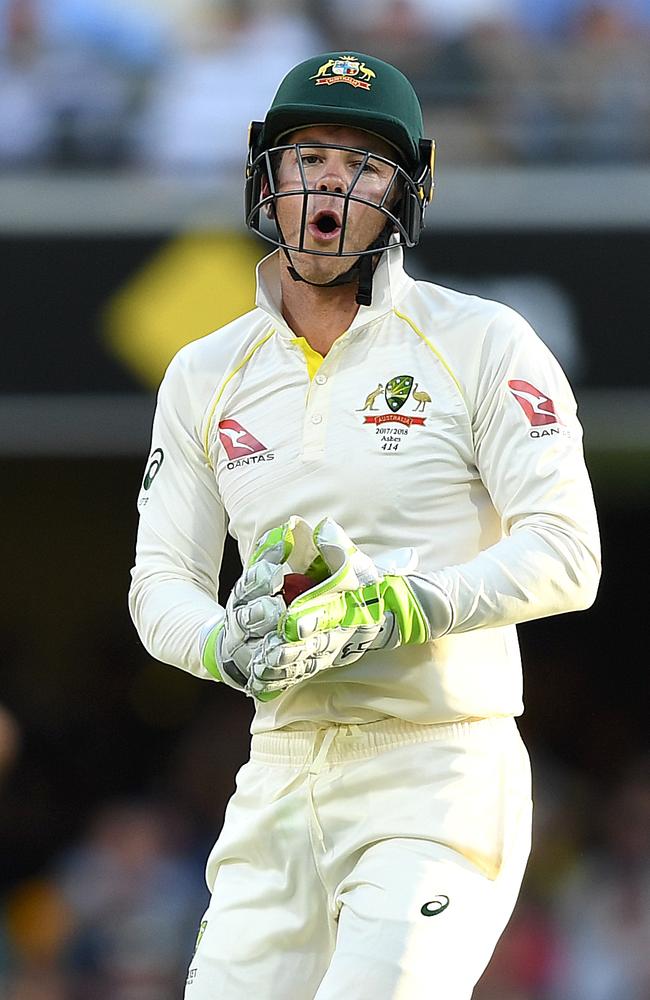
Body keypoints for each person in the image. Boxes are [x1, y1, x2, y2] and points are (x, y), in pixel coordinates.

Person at [129, 50, 601, 1000]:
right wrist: (234, 644)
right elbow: (158, 586)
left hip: (439, 766)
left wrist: (399, 608)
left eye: (363, 163)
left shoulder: (482, 341)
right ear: (268, 176)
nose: (331, 185)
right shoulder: (203, 373)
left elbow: (567, 554)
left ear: (408, 191)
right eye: (310, 156)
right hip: (278, 773)